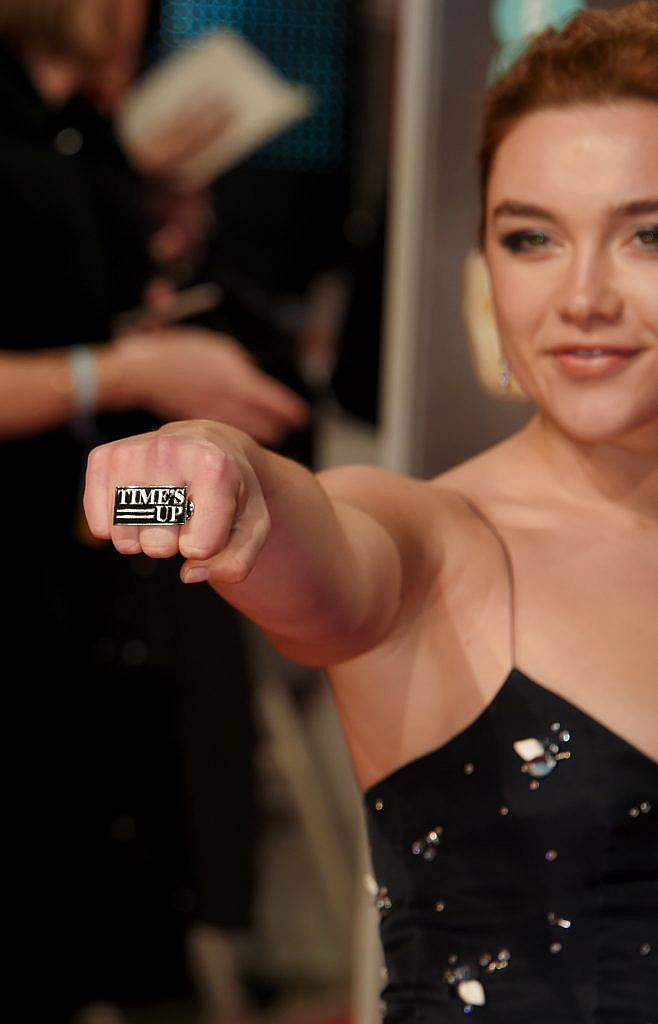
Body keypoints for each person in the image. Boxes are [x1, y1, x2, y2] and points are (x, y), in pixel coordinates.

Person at [83, 2, 657, 1020]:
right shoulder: (437, 539)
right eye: (529, 238)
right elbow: (292, 528)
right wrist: (192, 478)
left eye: (644, 235)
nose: (581, 296)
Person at [0, 2, 310, 1020]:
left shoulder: (87, 145)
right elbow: (98, 366)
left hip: (99, 578)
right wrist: (128, 369)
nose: (134, 14)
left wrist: (168, 247)